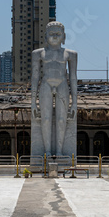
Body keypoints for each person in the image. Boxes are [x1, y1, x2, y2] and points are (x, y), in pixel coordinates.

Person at [31, 22, 77, 157]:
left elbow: (73, 78)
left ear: (64, 36)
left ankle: (59, 152)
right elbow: (35, 77)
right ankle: (47, 151)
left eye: (58, 34)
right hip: (45, 84)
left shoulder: (70, 54)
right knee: (45, 119)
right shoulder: (38, 54)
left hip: (63, 84)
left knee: (62, 120)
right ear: (45, 36)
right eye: (51, 34)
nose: (55, 37)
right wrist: (33, 102)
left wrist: (74, 102)